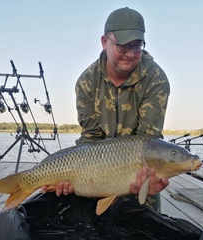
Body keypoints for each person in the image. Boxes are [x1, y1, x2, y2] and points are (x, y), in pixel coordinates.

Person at [43, 7, 170, 212]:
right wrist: (70, 179)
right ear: (104, 42)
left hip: (138, 181)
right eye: (123, 46)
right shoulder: (86, 82)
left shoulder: (156, 79)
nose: (130, 54)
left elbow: (148, 140)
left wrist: (151, 179)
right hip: (95, 177)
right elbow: (90, 138)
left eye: (137, 46)